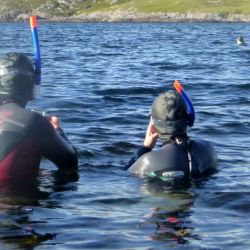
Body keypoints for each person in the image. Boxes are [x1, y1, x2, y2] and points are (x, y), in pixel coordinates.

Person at [0, 52, 78, 185]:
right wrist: (57, 130)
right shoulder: (33, 121)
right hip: (15, 202)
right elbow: (70, 162)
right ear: (33, 87)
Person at [125, 81, 217, 181]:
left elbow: (126, 173)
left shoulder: (148, 161)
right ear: (189, 120)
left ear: (153, 124)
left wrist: (145, 148)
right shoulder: (209, 150)